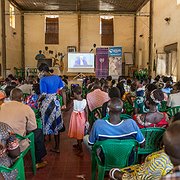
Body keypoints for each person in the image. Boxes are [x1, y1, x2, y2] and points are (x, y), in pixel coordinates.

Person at [0, 88, 47, 169]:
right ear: (22, 98)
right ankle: (38, 161)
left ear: (10, 97)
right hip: (16, 143)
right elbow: (32, 128)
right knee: (38, 132)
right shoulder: (26, 108)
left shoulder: (2, 106)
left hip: (1, 141)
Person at [38, 63, 66, 153]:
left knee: (45, 122)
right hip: (56, 102)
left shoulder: (43, 80)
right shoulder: (57, 77)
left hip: (47, 104)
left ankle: (44, 143)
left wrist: (38, 101)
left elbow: (43, 94)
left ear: (42, 71)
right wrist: (64, 104)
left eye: (39, 72)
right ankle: (57, 147)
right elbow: (62, 91)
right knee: (56, 124)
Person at [68, 86, 88, 156]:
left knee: (78, 132)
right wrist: (87, 120)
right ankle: (78, 144)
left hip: (75, 118)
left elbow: (67, 109)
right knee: (79, 131)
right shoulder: (85, 101)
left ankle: (81, 150)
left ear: (74, 93)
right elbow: (87, 111)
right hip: (82, 118)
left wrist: (61, 109)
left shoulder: (74, 101)